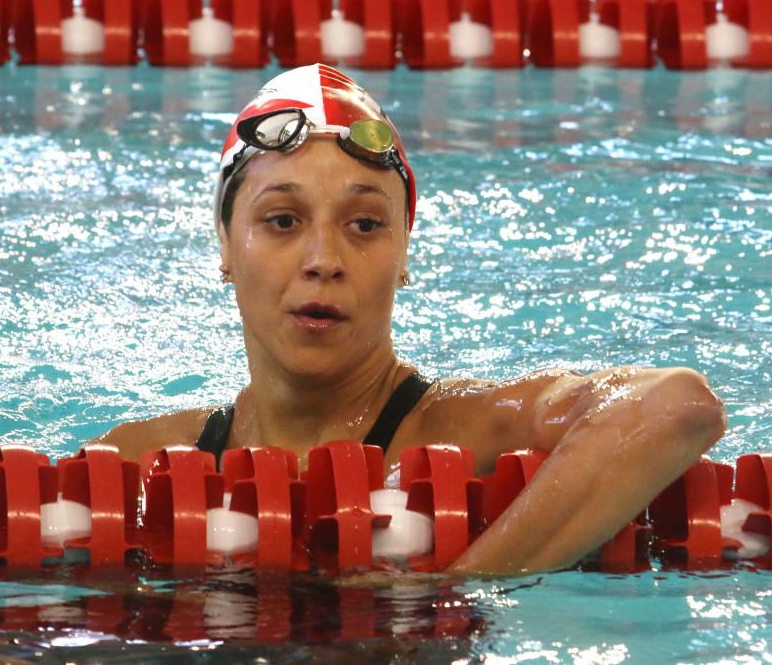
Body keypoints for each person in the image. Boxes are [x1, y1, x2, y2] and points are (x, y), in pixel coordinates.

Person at [97, 64, 726, 576]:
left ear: (403, 255)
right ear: (227, 247)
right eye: (282, 221)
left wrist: (463, 589)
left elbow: (675, 405)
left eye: (365, 225)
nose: (323, 261)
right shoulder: (138, 461)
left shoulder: (465, 433)